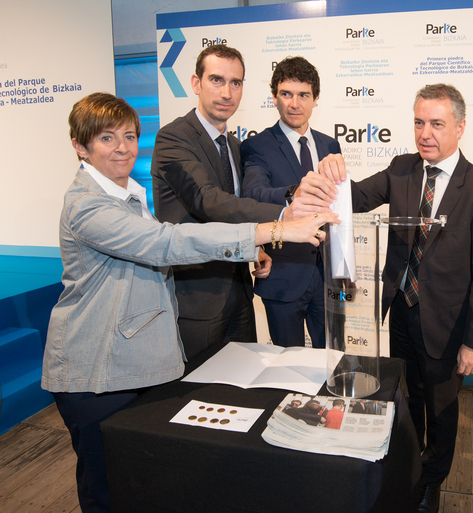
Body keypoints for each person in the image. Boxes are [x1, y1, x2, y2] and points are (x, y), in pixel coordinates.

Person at [41, 93, 335, 513]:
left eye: (129, 136)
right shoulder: (87, 206)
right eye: (107, 138)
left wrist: (250, 250)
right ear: (79, 145)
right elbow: (167, 243)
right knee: (105, 489)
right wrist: (274, 229)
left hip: (132, 364)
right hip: (95, 373)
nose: (122, 148)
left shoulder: (126, 197)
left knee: (140, 482)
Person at [318, 83, 473, 513]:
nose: (425, 133)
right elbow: (356, 197)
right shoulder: (402, 168)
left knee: (441, 409)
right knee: (411, 398)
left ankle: (432, 481)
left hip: (447, 324)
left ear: (460, 127)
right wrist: (327, 177)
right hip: (401, 311)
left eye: (437, 124)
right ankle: (411, 466)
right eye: (419, 122)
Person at [151, 45, 334, 359]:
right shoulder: (174, 138)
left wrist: (256, 248)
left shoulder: (235, 146)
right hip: (199, 296)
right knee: (199, 383)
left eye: (235, 83)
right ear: (196, 83)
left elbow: (238, 205)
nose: (226, 92)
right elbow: (207, 201)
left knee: (244, 381)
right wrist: (284, 215)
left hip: (240, 291)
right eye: (217, 80)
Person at [240, 56, 341, 349]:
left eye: (303, 95)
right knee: (287, 364)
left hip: (328, 275)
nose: (294, 104)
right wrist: (294, 193)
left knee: (332, 359)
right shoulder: (257, 146)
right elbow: (254, 193)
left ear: (315, 99)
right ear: (274, 97)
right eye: (286, 94)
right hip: (283, 274)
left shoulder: (330, 145)